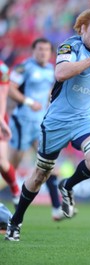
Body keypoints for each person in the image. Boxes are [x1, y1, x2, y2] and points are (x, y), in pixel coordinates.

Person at [5, 7, 90, 241]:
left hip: (85, 120)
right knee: (41, 174)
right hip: (56, 122)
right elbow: (61, 73)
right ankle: (16, 220)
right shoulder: (69, 47)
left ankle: (68, 186)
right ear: (82, 29)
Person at [7, 38, 66, 221]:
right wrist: (28, 101)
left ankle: (56, 208)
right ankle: (15, 196)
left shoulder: (51, 70)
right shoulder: (23, 68)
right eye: (40, 49)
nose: (43, 53)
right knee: (9, 166)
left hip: (41, 124)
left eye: (46, 50)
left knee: (48, 164)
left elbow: (49, 92)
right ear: (33, 50)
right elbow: (9, 88)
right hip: (22, 122)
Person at [0, 60, 19, 208]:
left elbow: (3, 95)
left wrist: (1, 120)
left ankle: (15, 189)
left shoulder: (2, 68)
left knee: (2, 161)